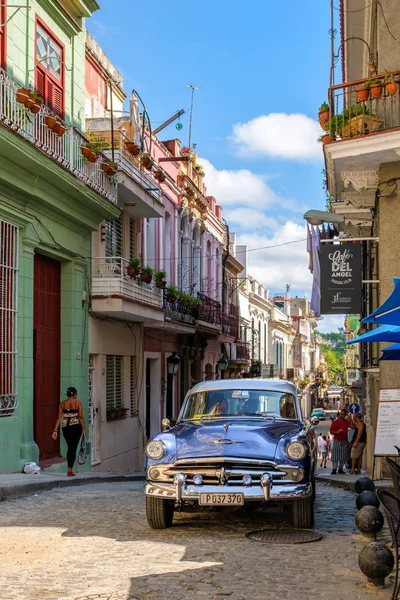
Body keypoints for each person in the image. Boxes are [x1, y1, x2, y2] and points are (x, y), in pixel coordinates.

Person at [52, 387, 86, 476]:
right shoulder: (78, 403)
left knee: (69, 447)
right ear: (75, 394)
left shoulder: (62, 404)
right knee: (73, 448)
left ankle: (69, 468)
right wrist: (84, 429)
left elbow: (59, 418)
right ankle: (70, 469)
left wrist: (55, 430)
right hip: (76, 426)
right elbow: (81, 417)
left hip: (65, 427)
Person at [329, 409, 354, 475]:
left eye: (343, 414)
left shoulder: (347, 422)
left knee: (343, 456)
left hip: (345, 441)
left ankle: (340, 469)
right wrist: (337, 432)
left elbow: (352, 427)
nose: (341, 415)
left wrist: (350, 419)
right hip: (337, 441)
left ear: (345, 415)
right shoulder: (335, 422)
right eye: (340, 414)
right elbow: (331, 431)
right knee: (335, 456)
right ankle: (334, 469)